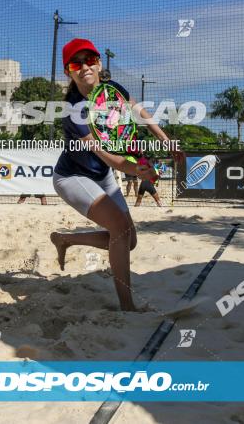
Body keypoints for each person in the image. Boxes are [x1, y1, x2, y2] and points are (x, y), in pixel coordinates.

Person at [50, 38, 184, 311]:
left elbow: (140, 113)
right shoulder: (73, 111)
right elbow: (105, 154)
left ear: (98, 63)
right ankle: (128, 307)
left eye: (89, 60)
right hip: (73, 177)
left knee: (128, 239)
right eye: (76, 63)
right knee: (121, 232)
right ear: (68, 72)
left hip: (102, 176)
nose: (84, 66)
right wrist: (136, 169)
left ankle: (65, 239)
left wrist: (166, 140)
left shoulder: (113, 90)